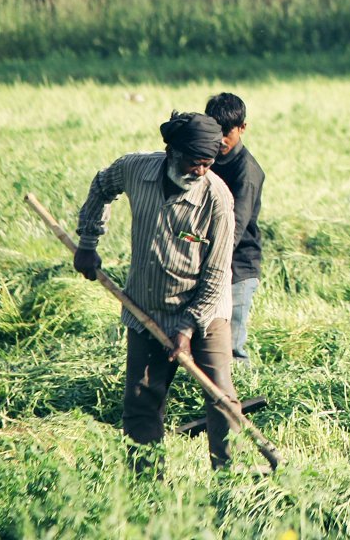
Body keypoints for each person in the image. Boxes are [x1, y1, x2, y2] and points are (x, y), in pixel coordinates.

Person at [73, 112, 239, 472]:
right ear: (171, 151)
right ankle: (147, 481)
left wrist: (187, 328)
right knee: (140, 401)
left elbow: (216, 274)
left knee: (221, 396)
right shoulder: (135, 169)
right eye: (194, 162)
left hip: (204, 312)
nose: (200, 172)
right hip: (146, 308)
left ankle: (231, 476)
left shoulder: (217, 200)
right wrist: (88, 240)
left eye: (207, 164)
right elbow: (102, 186)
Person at [205, 93, 266, 365]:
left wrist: (209, 263)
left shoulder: (247, 172)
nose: (221, 139)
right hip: (209, 258)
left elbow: (235, 227)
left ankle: (238, 402)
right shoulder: (205, 160)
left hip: (238, 267)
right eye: (215, 131)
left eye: (227, 132)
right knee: (206, 339)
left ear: (242, 128)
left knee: (232, 347)